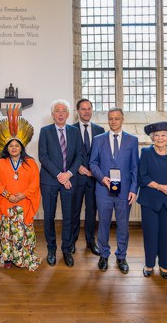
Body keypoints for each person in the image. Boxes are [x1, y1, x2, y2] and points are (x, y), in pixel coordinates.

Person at [89, 107, 139, 274]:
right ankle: (104, 255)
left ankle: (121, 256)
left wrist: (133, 189)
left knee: (123, 225)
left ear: (122, 119)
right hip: (103, 190)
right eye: (110, 118)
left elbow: (134, 167)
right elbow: (93, 163)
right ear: (107, 120)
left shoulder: (132, 140)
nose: (113, 121)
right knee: (103, 224)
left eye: (117, 118)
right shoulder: (98, 140)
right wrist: (102, 178)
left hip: (125, 191)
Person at [138, 122, 167, 279]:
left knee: (166, 234)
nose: (160, 138)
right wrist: (161, 187)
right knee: (150, 233)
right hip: (150, 200)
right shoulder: (146, 152)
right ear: (152, 137)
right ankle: (149, 264)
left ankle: (165, 266)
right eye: (157, 135)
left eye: (163, 135)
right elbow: (142, 177)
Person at [38, 99, 83, 267]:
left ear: (68, 114)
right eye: (57, 111)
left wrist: (69, 174)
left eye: (64, 110)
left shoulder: (74, 132)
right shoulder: (45, 131)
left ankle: (66, 248)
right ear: (52, 114)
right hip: (50, 180)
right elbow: (43, 156)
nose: (61, 113)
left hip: (70, 180)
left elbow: (79, 155)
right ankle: (51, 249)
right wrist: (60, 175)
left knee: (69, 216)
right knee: (49, 216)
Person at [0, 138, 41, 271]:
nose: (14, 148)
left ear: (21, 148)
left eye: (17, 146)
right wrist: (8, 195)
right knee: (7, 232)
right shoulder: (0, 163)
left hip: (24, 203)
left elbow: (35, 183)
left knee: (23, 233)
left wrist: (23, 195)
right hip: (6, 203)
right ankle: (7, 258)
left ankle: (23, 256)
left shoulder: (30, 163)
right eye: (11, 146)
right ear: (7, 148)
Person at [71, 98, 105, 256]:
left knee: (92, 211)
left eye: (89, 108)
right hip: (76, 178)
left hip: (94, 178)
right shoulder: (70, 129)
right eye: (83, 109)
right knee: (74, 211)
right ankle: (71, 241)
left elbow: (103, 155)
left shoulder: (100, 130)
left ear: (92, 110)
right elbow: (67, 153)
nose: (86, 112)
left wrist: (95, 170)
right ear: (78, 111)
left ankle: (91, 242)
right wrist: (77, 167)